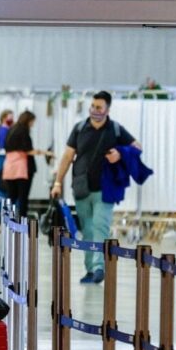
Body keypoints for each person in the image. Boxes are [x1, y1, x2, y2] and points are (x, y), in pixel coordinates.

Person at [50, 91, 141, 284]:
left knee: (100, 226)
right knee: (88, 230)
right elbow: (67, 157)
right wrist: (58, 182)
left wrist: (120, 152)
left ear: (107, 109)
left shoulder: (115, 130)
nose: (94, 110)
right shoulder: (80, 128)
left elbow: (137, 147)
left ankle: (99, 268)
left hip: (105, 189)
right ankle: (90, 269)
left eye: (99, 107)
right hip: (82, 187)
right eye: (92, 106)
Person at [2, 111, 52, 218]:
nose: (33, 124)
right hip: (22, 169)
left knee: (11, 196)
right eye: (32, 121)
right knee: (23, 197)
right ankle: (22, 220)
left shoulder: (12, 129)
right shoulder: (23, 131)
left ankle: (6, 219)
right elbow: (28, 150)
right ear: (28, 120)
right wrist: (45, 152)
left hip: (10, 167)